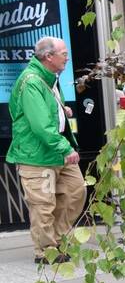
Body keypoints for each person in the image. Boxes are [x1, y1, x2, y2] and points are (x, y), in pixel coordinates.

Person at [6, 36, 86, 263]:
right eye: (64, 53)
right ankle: (46, 251)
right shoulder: (31, 81)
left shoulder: (49, 77)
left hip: (55, 152)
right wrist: (65, 147)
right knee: (43, 205)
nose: (67, 57)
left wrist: (62, 110)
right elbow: (40, 125)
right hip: (38, 155)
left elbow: (45, 108)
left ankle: (58, 238)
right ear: (48, 57)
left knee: (75, 191)